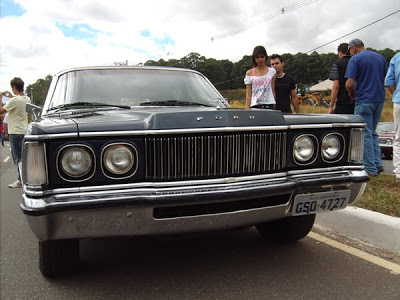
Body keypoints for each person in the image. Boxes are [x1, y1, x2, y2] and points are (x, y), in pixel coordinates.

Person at [345, 38, 388, 176]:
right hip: (379, 99)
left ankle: (370, 169)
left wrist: (351, 93)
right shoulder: (380, 57)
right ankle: (378, 163)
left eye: (350, 51)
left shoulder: (355, 59)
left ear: (353, 48)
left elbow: (349, 83)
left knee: (365, 134)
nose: (351, 53)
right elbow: (385, 77)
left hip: (364, 99)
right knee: (373, 131)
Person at [0, 77, 31, 188]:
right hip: (24, 131)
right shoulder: (27, 99)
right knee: (25, 157)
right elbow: (19, 100)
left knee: (18, 158)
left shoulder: (14, 101)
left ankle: (20, 180)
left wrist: (0, 98)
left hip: (15, 132)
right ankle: (26, 179)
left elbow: (1, 111)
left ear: (14, 87)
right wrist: (11, 96)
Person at [385, 52, 400, 183]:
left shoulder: (396, 57)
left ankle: (398, 173)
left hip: (399, 101)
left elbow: (389, 81)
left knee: (398, 137)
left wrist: (396, 94)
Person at [328, 43, 354, 114]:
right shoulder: (356, 62)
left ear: (340, 53)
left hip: (342, 102)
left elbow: (336, 86)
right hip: (357, 101)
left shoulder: (337, 64)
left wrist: (331, 106)